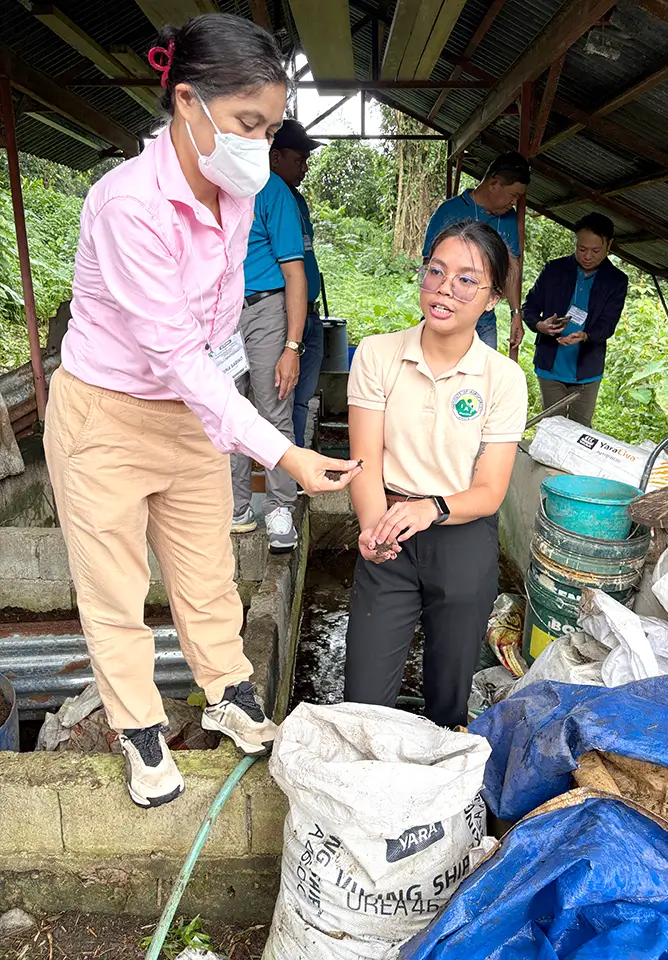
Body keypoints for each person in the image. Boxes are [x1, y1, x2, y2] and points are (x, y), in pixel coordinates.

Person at [43, 14, 360, 809]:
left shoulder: (240, 191)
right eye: (248, 123)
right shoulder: (127, 206)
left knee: (209, 569)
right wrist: (283, 451)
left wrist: (237, 418)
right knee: (115, 587)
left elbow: (212, 338)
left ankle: (228, 688)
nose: (260, 141)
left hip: (184, 413)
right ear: (189, 103)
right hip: (106, 416)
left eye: (269, 125)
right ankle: (140, 730)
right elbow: (177, 355)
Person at [344, 219, 528, 729]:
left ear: (491, 297)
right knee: (363, 701)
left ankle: (433, 794)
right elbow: (365, 459)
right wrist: (373, 527)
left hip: (461, 534)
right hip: (387, 527)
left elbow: (490, 490)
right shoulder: (378, 354)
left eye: (467, 279)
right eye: (436, 271)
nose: (445, 287)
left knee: (448, 699)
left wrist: (431, 509)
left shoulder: (503, 379)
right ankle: (370, 799)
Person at [229, 124, 310, 551]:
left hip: (264, 310)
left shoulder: (273, 192)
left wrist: (291, 347)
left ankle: (280, 506)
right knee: (225, 412)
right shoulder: (217, 186)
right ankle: (237, 508)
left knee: (272, 408)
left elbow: (295, 273)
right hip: (220, 317)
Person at [523, 213, 628, 428]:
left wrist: (586, 335)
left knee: (580, 432)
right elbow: (530, 306)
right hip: (550, 367)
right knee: (552, 427)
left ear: (609, 245)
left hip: (587, 371)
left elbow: (608, 323)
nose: (587, 256)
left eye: (595, 250)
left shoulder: (616, 280)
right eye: (582, 249)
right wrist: (539, 325)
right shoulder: (554, 270)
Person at [422, 152, 530, 352]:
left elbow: (512, 269)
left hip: (484, 322)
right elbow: (430, 266)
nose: (514, 202)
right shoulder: (449, 211)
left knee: (480, 379)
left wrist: (516, 313)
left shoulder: (509, 219)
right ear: (494, 184)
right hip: (445, 312)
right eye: (513, 195)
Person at [267, 119, 325, 448]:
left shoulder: (297, 202)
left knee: (302, 396)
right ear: (275, 157)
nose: (304, 168)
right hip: (285, 314)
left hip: (310, 313)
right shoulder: (261, 198)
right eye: (298, 159)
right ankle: (282, 469)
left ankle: (297, 463)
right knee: (281, 396)